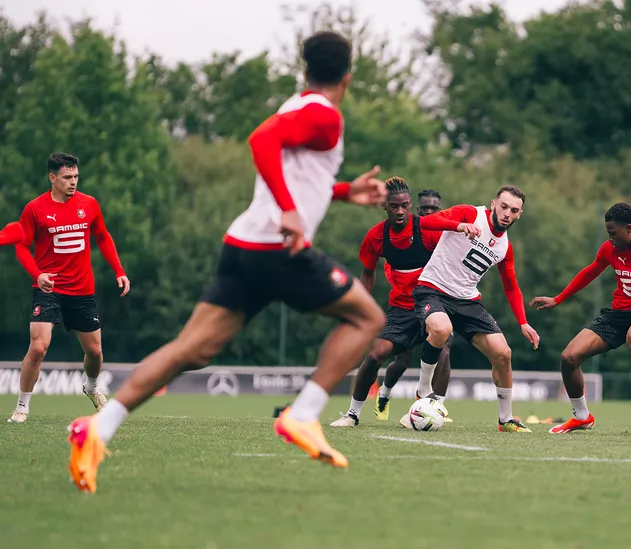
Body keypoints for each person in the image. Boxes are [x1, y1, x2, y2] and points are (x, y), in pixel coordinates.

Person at [66, 31, 389, 494]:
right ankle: (302, 415)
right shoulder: (326, 116)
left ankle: (98, 428)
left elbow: (297, 174)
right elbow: (261, 143)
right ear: (348, 76)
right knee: (367, 317)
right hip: (277, 251)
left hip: (243, 246)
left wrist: (344, 192)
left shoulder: (295, 106)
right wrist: (289, 211)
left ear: (305, 69)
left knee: (192, 349)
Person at [530, 203, 631, 437]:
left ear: (629, 229)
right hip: (618, 314)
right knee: (569, 358)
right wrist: (558, 299)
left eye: (612, 233)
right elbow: (590, 271)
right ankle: (581, 417)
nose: (610, 239)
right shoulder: (610, 250)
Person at [8, 153, 130, 424]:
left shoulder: (89, 204)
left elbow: (102, 236)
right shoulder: (35, 209)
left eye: (75, 176)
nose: (73, 182)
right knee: (39, 347)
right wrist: (37, 274)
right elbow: (20, 246)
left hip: (82, 290)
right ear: (53, 178)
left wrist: (119, 270)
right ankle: (21, 406)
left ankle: (92, 387)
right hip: (48, 289)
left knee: (95, 352)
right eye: (67, 177)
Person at [407, 185, 540, 432]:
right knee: (440, 329)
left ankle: (506, 419)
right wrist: (457, 226)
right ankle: (423, 393)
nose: (507, 213)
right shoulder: (469, 214)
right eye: (503, 206)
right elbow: (425, 224)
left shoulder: (505, 248)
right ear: (493, 204)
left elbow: (511, 287)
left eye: (514, 210)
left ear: (519, 214)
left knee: (503, 353)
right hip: (433, 289)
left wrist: (523, 322)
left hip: (467, 301)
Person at [329, 181, 453, 427]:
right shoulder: (376, 237)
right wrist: (359, 310)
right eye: (393, 206)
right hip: (401, 310)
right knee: (376, 355)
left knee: (443, 352)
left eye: (404, 206)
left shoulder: (427, 230)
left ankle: (434, 407)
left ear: (410, 206)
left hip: (432, 303)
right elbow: (367, 274)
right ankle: (352, 414)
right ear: (383, 205)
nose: (399, 211)